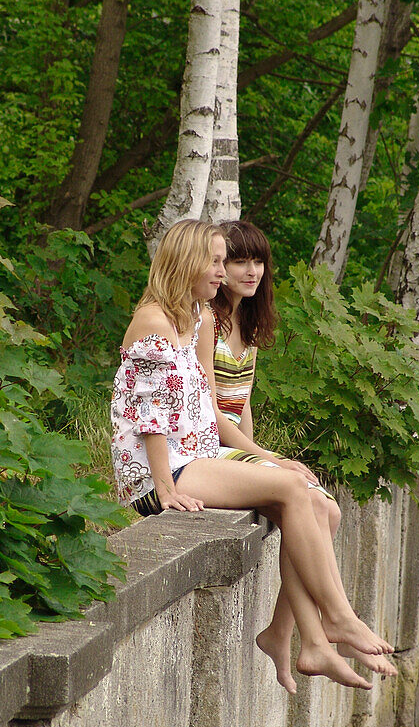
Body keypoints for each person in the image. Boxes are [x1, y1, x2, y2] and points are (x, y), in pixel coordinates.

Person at [110, 218, 389, 692]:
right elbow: (148, 414)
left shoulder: (192, 316)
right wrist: (163, 487)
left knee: (309, 498)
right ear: (188, 260)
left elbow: (214, 403)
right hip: (164, 470)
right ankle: (336, 621)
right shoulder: (153, 320)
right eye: (216, 260)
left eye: (224, 261)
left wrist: (251, 454)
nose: (221, 272)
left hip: (197, 456)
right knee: (290, 485)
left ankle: (307, 641)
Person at [199, 219, 397, 692]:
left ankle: (286, 635)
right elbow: (209, 414)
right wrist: (267, 457)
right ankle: (327, 626)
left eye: (258, 261)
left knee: (325, 509)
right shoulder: (207, 320)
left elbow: (240, 403)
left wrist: (263, 451)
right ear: (219, 267)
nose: (252, 271)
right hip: (208, 448)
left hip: (233, 444)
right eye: (239, 261)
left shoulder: (247, 323)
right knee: (302, 495)